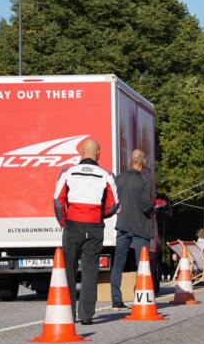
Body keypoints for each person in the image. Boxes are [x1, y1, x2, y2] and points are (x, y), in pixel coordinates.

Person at [53, 138, 118, 325]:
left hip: (72, 225)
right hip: (94, 226)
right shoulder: (106, 174)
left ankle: (69, 313)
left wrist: (63, 221)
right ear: (98, 153)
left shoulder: (67, 171)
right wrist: (99, 215)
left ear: (81, 151)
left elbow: (58, 200)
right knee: (90, 270)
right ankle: (87, 315)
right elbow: (114, 204)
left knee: (69, 270)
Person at [110, 150, 153, 310]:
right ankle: (140, 296)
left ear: (130, 161)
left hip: (122, 226)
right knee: (142, 263)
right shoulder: (144, 180)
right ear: (143, 162)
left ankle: (116, 299)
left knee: (118, 263)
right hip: (139, 227)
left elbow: (113, 201)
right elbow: (145, 205)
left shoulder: (119, 178)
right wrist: (153, 208)